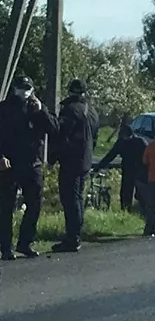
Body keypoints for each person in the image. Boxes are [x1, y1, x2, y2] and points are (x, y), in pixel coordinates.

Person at [0, 75, 57, 260]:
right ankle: (6, 247)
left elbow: (54, 129)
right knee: (6, 206)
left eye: (27, 88)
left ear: (32, 89)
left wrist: (41, 111)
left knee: (35, 204)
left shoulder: (37, 108)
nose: (23, 91)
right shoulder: (4, 108)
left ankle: (25, 243)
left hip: (32, 163)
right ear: (14, 88)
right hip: (10, 163)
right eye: (20, 87)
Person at [50, 78, 99, 253]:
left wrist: (53, 156)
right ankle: (76, 235)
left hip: (71, 160)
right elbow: (95, 137)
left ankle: (72, 238)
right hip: (85, 160)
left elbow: (60, 134)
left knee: (70, 199)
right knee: (78, 198)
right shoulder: (91, 111)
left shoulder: (70, 110)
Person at [94, 123, 148, 212]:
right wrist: (99, 166)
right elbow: (110, 156)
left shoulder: (140, 142)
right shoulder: (121, 142)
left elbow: (149, 156)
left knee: (141, 194)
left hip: (140, 170)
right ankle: (125, 211)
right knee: (126, 193)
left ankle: (144, 211)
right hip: (128, 169)